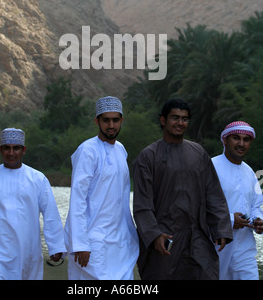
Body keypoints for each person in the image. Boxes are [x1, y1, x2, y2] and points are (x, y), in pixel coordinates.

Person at [133, 98, 233, 280]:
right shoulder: (148, 157)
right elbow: (142, 205)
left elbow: (214, 194)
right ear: (163, 120)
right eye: (175, 118)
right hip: (164, 239)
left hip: (197, 238)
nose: (180, 123)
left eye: (184, 119)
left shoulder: (198, 153)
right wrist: (154, 235)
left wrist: (221, 229)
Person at [0, 128, 65, 280]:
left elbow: (50, 214)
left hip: (27, 252)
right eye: (7, 148)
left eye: (16, 148)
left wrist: (56, 246)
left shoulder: (37, 179)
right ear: (0, 149)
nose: (11, 153)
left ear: (23, 150)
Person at [63, 96, 139, 280]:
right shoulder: (87, 150)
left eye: (115, 120)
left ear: (121, 121)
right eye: (106, 120)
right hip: (93, 240)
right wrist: (80, 244)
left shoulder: (121, 149)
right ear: (97, 121)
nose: (111, 125)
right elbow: (78, 199)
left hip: (120, 241)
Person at [212, 121, 263, 280]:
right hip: (214, 247)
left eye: (246, 140)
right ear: (225, 140)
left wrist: (258, 220)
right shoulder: (210, 167)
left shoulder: (250, 173)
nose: (241, 144)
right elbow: (199, 205)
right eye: (236, 138)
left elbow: (256, 205)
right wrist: (229, 219)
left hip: (244, 248)